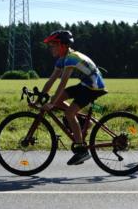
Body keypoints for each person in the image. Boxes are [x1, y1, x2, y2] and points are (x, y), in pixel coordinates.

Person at [38, 30, 108, 165]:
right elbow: (51, 80)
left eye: (53, 45)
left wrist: (51, 103)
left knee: (69, 113)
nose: (50, 48)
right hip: (85, 85)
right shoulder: (61, 60)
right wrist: (40, 97)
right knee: (58, 100)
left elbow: (63, 81)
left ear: (63, 45)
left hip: (93, 87)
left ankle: (82, 150)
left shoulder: (71, 57)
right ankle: (83, 122)